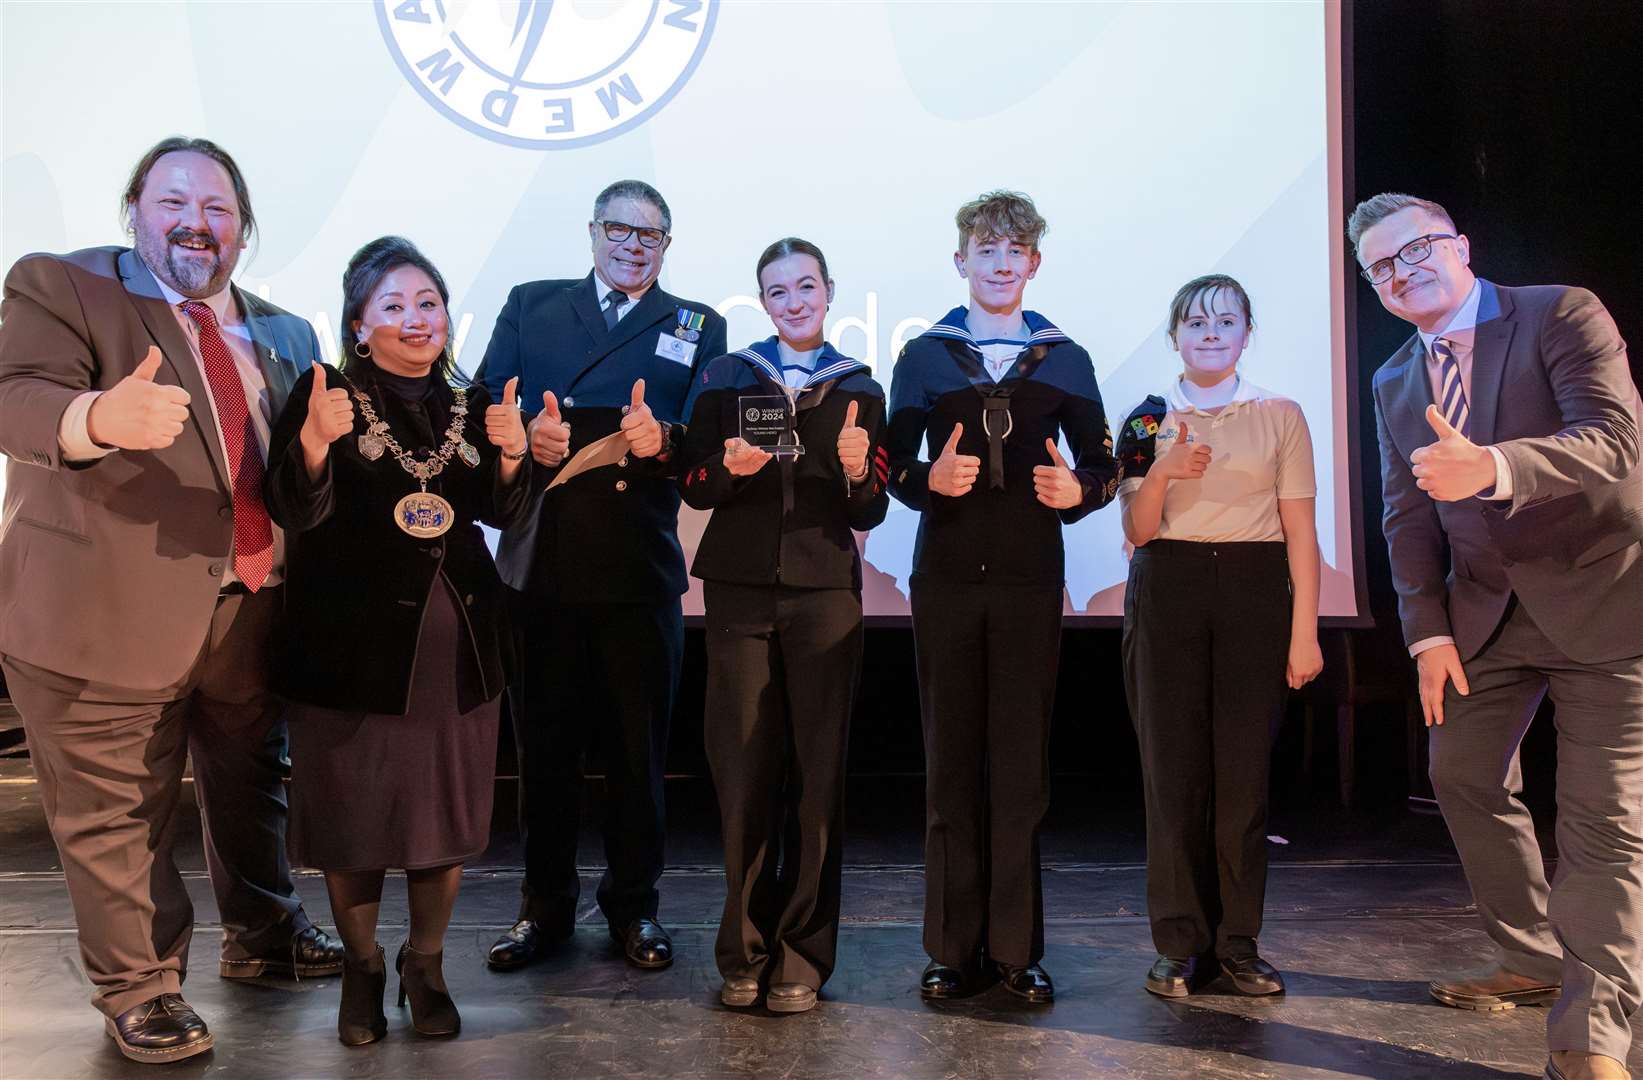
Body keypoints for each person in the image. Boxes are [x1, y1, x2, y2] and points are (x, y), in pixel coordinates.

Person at [0, 137, 343, 1063]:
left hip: (247, 610)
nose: (197, 220)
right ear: (134, 210)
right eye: (173, 201)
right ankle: (141, 987)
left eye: (219, 206)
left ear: (243, 225)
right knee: (115, 812)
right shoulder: (63, 286)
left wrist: (311, 456)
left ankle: (262, 932)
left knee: (249, 785)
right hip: (96, 615)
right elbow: (13, 395)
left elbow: (293, 498)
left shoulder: (285, 335)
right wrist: (93, 420)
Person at [1353, 192, 1642, 1080]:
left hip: (1605, 601)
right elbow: (1405, 519)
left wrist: (1493, 465)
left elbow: (1615, 442)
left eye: (1415, 251)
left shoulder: (1560, 311)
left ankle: (1590, 1039)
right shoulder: (1394, 380)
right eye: (1381, 270)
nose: (1402, 274)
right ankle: (1530, 951)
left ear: (1459, 245)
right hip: (1483, 612)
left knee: (1603, 825)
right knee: (1460, 773)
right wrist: (1424, 636)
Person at [264, 236, 530, 1044]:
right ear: (358, 324)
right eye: (394, 306)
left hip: (458, 661)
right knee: (355, 822)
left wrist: (515, 455)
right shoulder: (326, 394)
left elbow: (501, 512)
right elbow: (291, 508)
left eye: (428, 303)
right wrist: (312, 444)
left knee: (437, 821)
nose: (417, 320)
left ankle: (425, 963)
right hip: (349, 657)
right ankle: (362, 967)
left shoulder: (472, 401)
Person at [476, 180, 728, 972]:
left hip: (637, 568)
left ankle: (633, 909)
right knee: (544, 755)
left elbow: (705, 448)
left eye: (650, 235)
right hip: (541, 564)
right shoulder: (531, 303)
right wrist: (525, 436)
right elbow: (484, 402)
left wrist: (661, 441)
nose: (633, 245)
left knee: (634, 757)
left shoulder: (697, 323)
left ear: (666, 245)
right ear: (592, 233)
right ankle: (542, 910)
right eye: (619, 229)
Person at [885, 190, 1119, 1004]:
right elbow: (885, 469)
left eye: (1012, 250)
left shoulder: (1064, 358)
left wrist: (1078, 491)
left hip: (1027, 581)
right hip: (943, 580)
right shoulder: (923, 355)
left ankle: (1017, 949)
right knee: (951, 766)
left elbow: (1104, 462)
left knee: (1019, 769)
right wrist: (926, 480)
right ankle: (950, 948)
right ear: (961, 262)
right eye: (984, 249)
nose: (998, 262)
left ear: (1032, 264)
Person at [677, 238, 889, 1013]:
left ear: (828, 292)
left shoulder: (859, 386)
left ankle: (802, 955)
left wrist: (862, 469)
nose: (793, 301)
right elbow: (692, 484)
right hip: (737, 593)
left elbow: (870, 507)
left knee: (818, 782)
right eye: (777, 292)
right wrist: (725, 472)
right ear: (760, 302)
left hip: (824, 595)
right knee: (741, 777)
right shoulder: (727, 377)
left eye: (805, 287)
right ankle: (743, 952)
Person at [1115, 274, 1322, 1000]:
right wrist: (1164, 471)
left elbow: (1300, 532)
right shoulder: (1145, 421)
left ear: (1244, 333)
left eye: (1225, 321)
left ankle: (1237, 944)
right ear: (1173, 334)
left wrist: (1305, 634)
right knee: (1171, 778)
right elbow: (1135, 533)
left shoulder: (1280, 414)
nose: (1208, 333)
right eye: (1194, 322)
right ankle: (1178, 946)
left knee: (1241, 781)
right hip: (1166, 586)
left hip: (1253, 589)